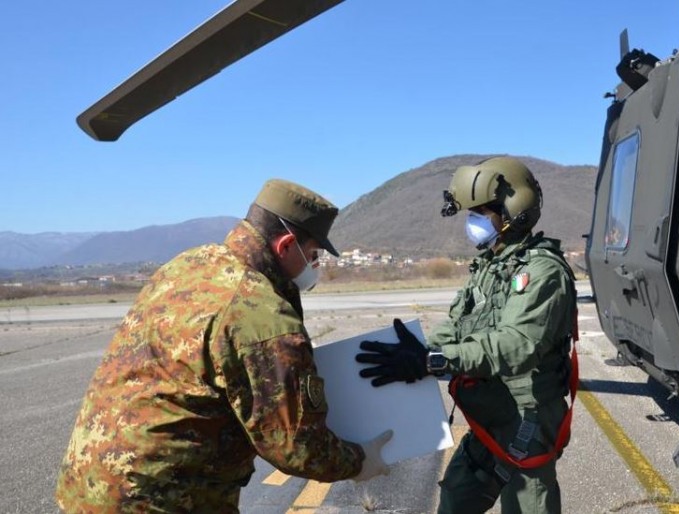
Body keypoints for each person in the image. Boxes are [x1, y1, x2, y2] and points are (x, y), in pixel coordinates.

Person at [56, 178, 393, 513]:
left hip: (92, 484)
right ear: (286, 245)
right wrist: (359, 461)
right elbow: (296, 446)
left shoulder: (187, 266)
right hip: (161, 500)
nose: (316, 266)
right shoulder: (260, 313)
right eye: (313, 254)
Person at [356, 156, 578, 514]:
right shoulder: (491, 266)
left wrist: (435, 361)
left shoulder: (542, 272)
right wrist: (420, 352)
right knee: (457, 497)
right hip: (492, 410)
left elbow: (516, 345)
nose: (472, 222)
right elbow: (460, 323)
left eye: (481, 212)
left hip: (527, 419)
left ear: (512, 212)